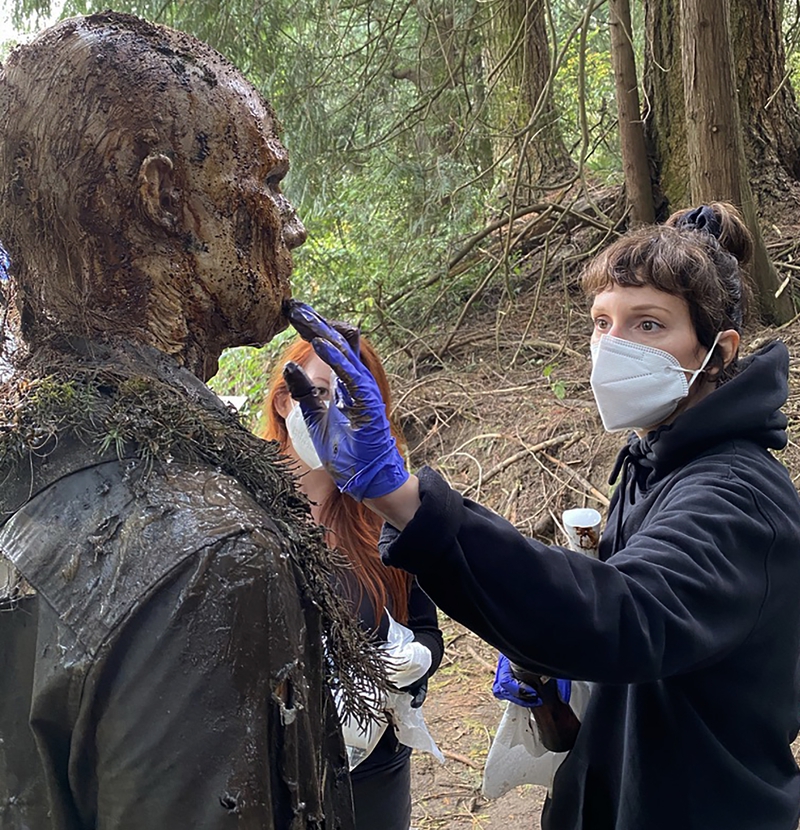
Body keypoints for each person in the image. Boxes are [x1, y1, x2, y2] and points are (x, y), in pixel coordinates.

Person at [283, 202, 800, 829]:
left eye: (648, 325)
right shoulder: (656, 461)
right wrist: (555, 663)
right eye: (602, 323)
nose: (612, 348)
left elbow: (628, 615)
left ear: (717, 352)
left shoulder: (737, 494)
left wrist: (404, 500)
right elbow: (644, 651)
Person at [0, 12, 384, 829]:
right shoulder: (204, 554)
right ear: (167, 198)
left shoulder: (29, 449)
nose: (294, 226)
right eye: (270, 186)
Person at [261, 332, 444, 830]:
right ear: (283, 401)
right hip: (267, 776)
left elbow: (425, 628)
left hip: (373, 769)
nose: (331, 413)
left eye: (351, 396)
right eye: (318, 392)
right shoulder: (239, 509)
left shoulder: (389, 517)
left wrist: (413, 665)